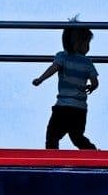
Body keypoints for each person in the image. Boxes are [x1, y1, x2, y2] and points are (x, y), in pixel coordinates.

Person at [33, 21, 99, 150]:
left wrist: (40, 79)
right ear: (79, 43)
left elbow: (53, 69)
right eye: (87, 43)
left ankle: (52, 160)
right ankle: (93, 153)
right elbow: (95, 82)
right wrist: (91, 87)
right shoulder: (87, 62)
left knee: (52, 136)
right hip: (80, 109)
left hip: (63, 106)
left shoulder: (62, 57)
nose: (88, 47)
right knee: (77, 137)